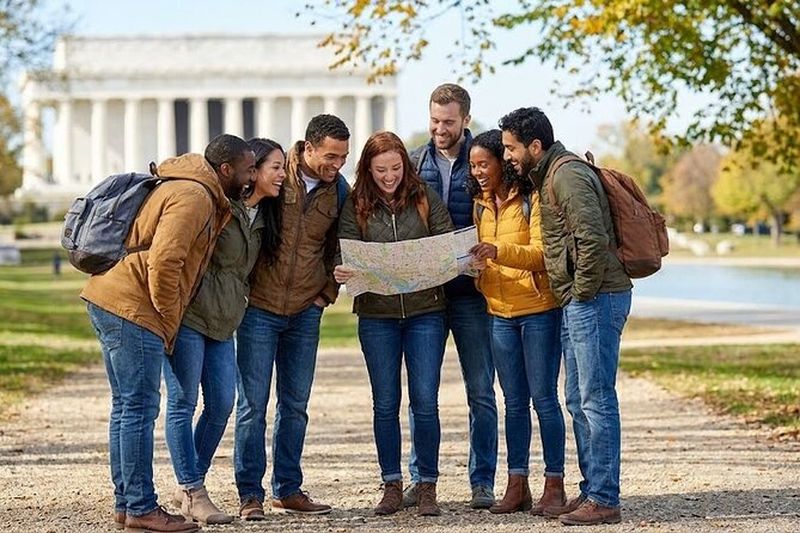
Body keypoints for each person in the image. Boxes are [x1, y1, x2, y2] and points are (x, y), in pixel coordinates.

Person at [82, 135, 255, 532]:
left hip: (112, 297)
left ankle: (127, 505)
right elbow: (166, 260)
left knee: (126, 407)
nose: (250, 178)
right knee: (139, 408)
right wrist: (164, 313)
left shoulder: (188, 187)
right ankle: (142, 508)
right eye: (247, 170)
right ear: (226, 169)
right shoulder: (194, 196)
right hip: (133, 304)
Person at [500, 107, 632, 526]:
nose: (508, 157)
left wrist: (579, 294)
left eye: (511, 148)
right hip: (581, 300)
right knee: (577, 399)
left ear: (534, 146)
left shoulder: (566, 175)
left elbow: (592, 238)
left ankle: (605, 497)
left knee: (596, 398)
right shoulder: (548, 175)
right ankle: (592, 489)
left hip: (595, 299)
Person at [234, 114, 350, 519]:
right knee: (252, 404)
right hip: (259, 309)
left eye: (343, 158)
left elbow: (342, 247)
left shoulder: (339, 192)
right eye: (331, 156)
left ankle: (288, 488)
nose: (336, 165)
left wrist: (326, 294)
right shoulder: (275, 175)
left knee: (295, 405)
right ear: (310, 147)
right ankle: (251, 493)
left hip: (305, 310)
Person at [163, 136, 283, 525]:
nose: (281, 175)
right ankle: (194, 489)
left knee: (221, 405)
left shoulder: (265, 217)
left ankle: (187, 484)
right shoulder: (220, 207)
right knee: (182, 402)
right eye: (271, 168)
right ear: (252, 171)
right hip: (192, 316)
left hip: (225, 321)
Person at [335, 131, 454, 517]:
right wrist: (343, 269)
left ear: (406, 164)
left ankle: (428, 486)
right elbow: (344, 247)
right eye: (381, 169)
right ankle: (391, 483)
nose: (390, 176)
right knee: (385, 404)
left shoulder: (424, 198)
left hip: (425, 314)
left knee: (425, 402)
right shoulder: (355, 205)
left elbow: (446, 244)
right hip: (376, 316)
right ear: (368, 169)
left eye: (396, 168)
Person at [406, 83, 498, 509]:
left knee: (481, 390)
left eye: (448, 122)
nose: (440, 128)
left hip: (472, 295)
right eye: (434, 120)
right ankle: (422, 478)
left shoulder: (483, 162)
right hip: (426, 296)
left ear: (466, 120)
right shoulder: (413, 163)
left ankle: (482, 481)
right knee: (423, 393)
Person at [466, 129, 566, 515]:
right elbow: (484, 257)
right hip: (498, 314)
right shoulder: (479, 205)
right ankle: (517, 484)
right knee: (513, 404)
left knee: (544, 400)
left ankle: (554, 485)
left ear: (501, 163)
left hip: (538, 310)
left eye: (483, 164)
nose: (477, 171)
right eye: (473, 166)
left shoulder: (531, 199)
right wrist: (475, 268)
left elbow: (542, 254)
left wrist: (497, 250)